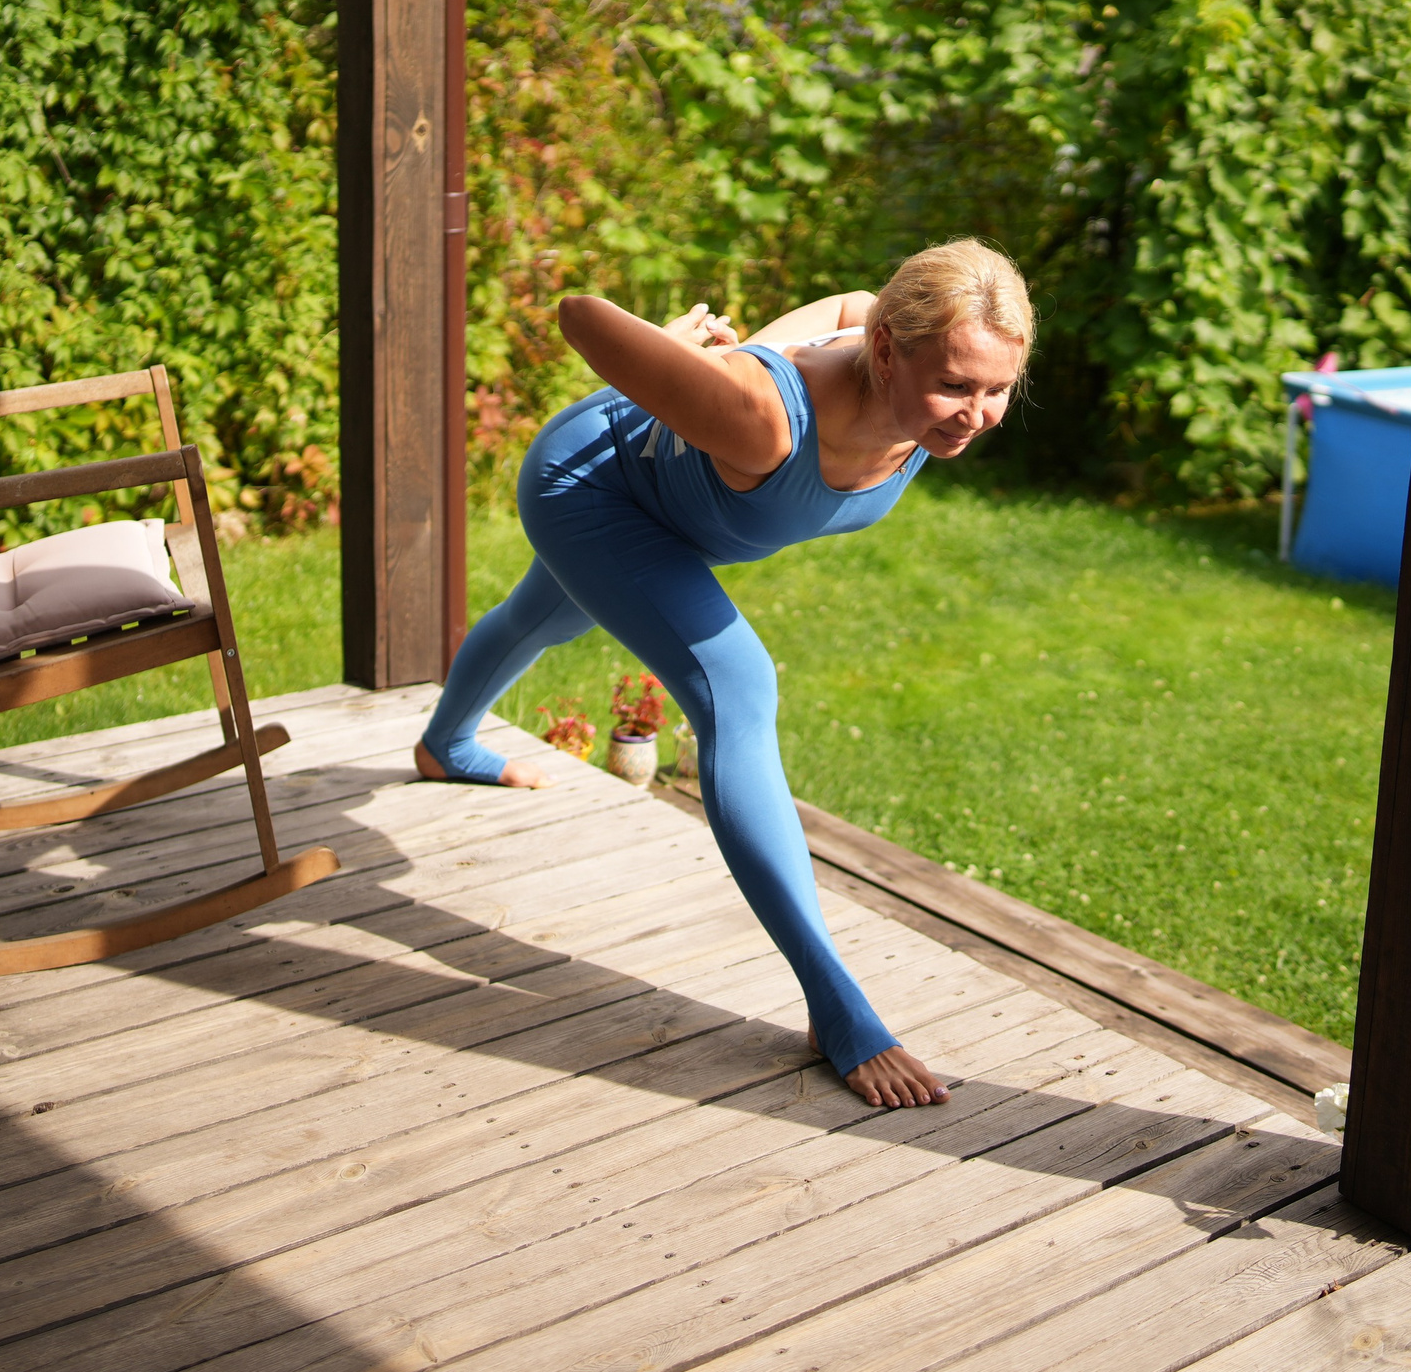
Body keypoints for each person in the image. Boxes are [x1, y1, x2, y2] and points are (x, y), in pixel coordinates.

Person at [413, 240, 1033, 1108]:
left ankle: (445, 743)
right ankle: (834, 1004)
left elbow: (856, 296)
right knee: (738, 688)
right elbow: (579, 315)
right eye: (957, 386)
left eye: (997, 389)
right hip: (587, 485)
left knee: (541, 619)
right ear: (892, 353)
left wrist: (758, 346)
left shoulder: (903, 385)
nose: (974, 414)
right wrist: (696, 363)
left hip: (666, 512)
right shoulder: (764, 414)